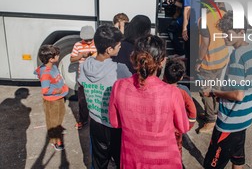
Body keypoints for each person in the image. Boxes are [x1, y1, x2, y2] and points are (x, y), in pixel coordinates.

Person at [109, 35, 189, 168]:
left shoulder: (118, 86)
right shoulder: (172, 92)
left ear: (134, 57)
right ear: (162, 61)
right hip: (164, 162)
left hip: (131, 159)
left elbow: (115, 123)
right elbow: (183, 127)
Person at [203, 11, 252, 169]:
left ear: (241, 32)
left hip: (229, 122)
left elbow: (238, 94)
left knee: (211, 165)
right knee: (237, 159)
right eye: (223, 34)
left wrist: (214, 92)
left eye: (228, 34)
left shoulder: (237, 57)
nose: (224, 38)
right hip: (244, 119)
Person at [78, 25, 131, 169]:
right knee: (120, 159)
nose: (120, 48)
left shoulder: (85, 66)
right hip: (115, 125)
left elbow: (81, 85)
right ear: (109, 50)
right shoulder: (119, 69)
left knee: (99, 159)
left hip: (95, 121)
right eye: (119, 45)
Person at [196, 0, 229, 134]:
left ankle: (210, 120)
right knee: (215, 88)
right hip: (222, 59)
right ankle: (215, 112)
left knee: (206, 91)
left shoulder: (204, 20)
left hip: (209, 63)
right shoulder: (222, 13)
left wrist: (198, 61)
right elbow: (222, 2)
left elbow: (204, 45)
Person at [34, 45, 69, 151]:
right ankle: (55, 140)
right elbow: (45, 90)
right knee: (53, 121)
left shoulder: (51, 66)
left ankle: (57, 131)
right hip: (53, 100)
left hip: (58, 98)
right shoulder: (46, 73)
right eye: (57, 55)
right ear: (51, 59)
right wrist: (57, 91)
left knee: (60, 115)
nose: (59, 56)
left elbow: (38, 71)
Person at [163, 58, 196, 155]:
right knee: (177, 150)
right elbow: (192, 111)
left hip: (161, 128)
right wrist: (187, 126)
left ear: (164, 75)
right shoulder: (184, 90)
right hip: (177, 129)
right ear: (181, 77)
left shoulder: (158, 87)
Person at [70, 25, 97, 130]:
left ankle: (95, 119)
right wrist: (81, 55)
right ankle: (83, 119)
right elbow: (72, 59)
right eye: (87, 40)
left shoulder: (98, 45)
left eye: (91, 39)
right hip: (83, 77)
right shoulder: (78, 45)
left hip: (95, 76)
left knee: (95, 99)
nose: (89, 42)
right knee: (82, 100)